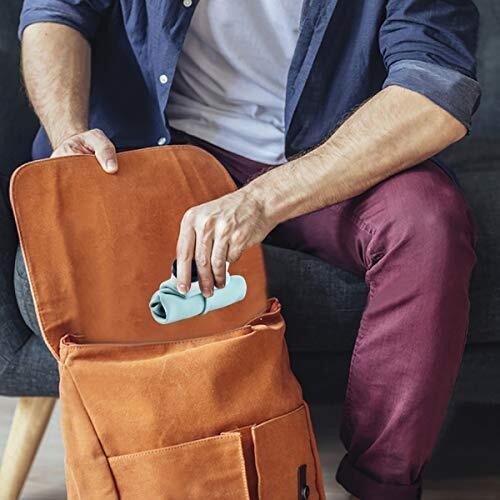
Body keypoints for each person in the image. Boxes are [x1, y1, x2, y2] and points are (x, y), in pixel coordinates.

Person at [2, 1, 480, 498]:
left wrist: (262, 201)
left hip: (328, 154)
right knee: (93, 274)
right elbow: (56, 12)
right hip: (164, 148)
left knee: (428, 224)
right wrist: (68, 133)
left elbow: (436, 87)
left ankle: (379, 487)